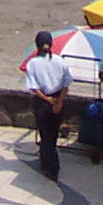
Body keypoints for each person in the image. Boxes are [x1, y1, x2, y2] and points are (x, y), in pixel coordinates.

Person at [23, 30, 72, 181]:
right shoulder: (60, 61)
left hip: (43, 103)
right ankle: (46, 162)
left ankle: (52, 168)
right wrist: (59, 101)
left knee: (46, 136)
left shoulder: (33, 63)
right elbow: (66, 84)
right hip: (58, 100)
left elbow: (34, 88)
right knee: (53, 134)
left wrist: (48, 100)